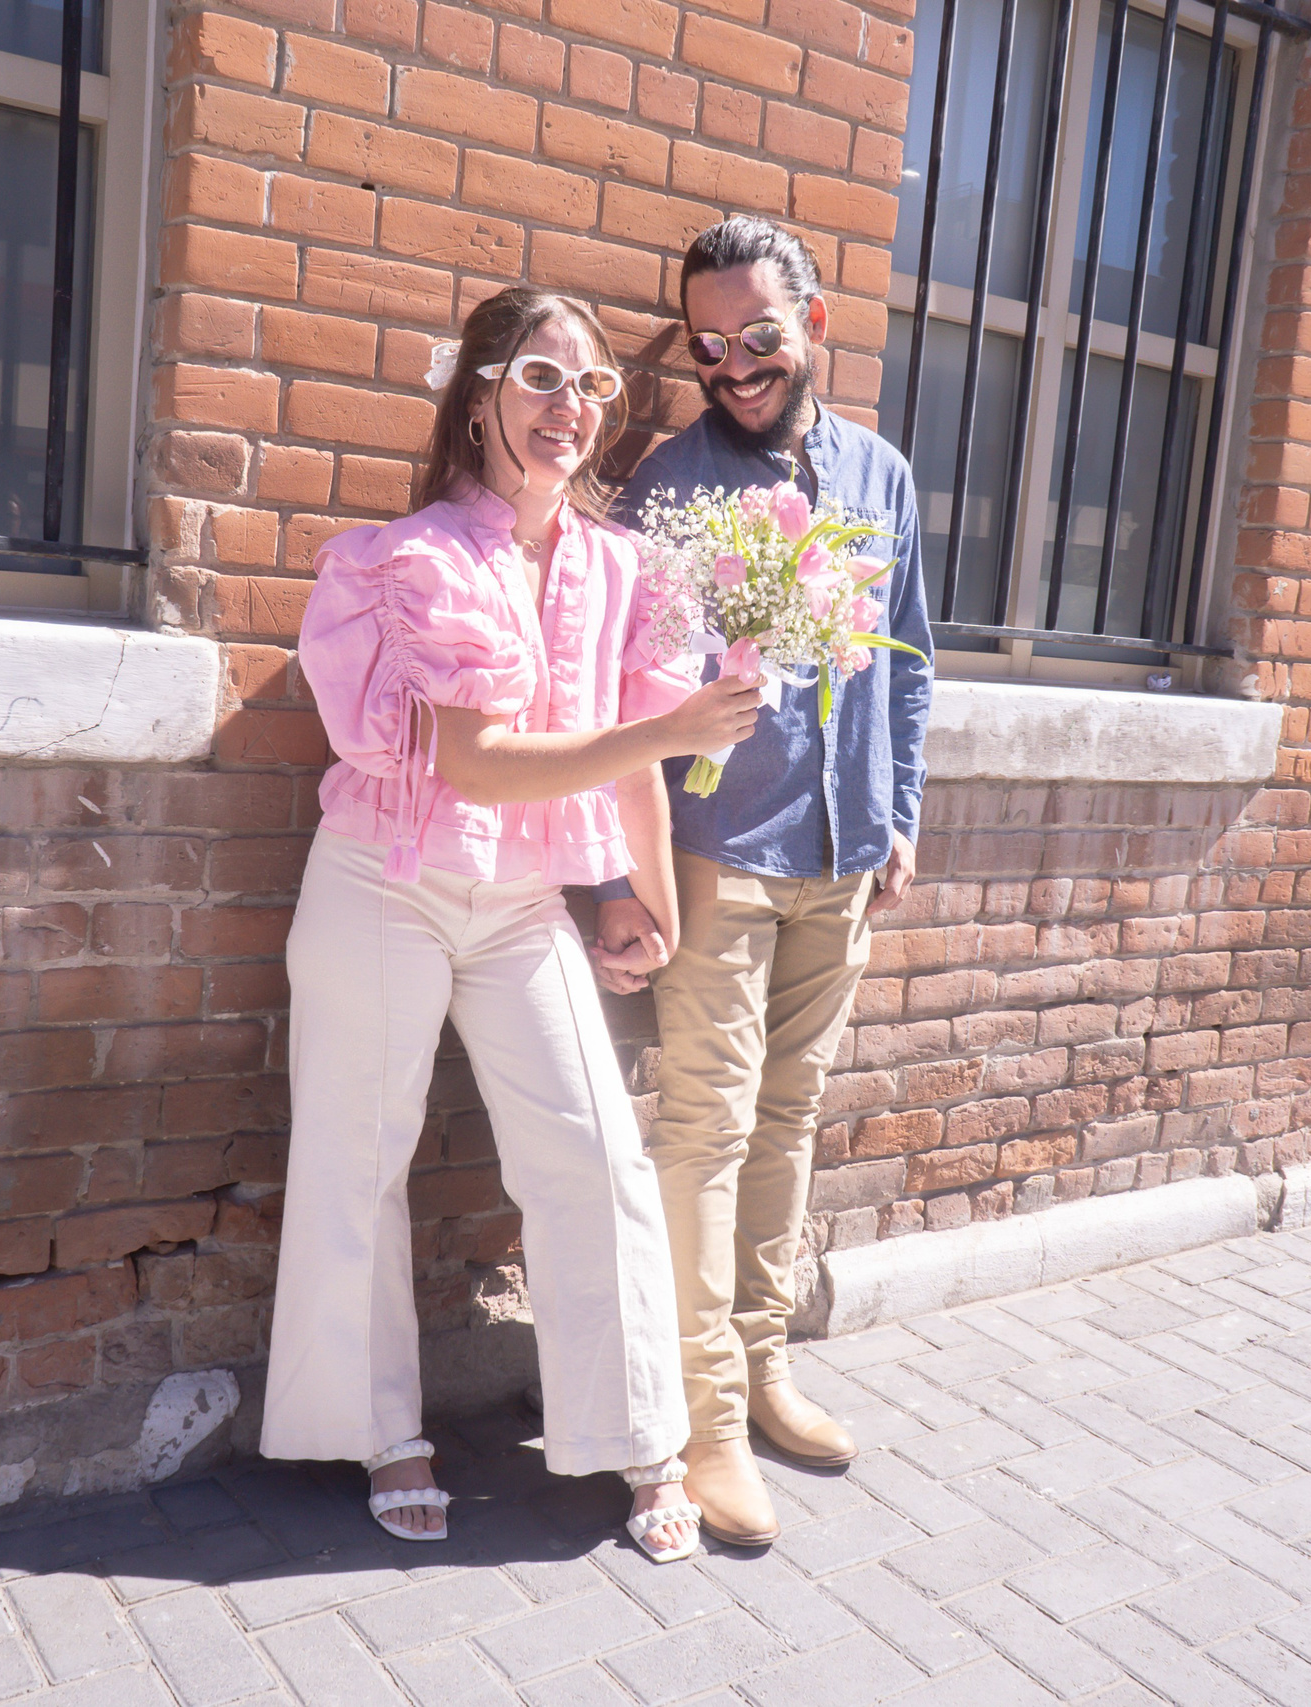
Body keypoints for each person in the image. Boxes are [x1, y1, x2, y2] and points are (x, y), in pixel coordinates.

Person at [262, 285, 767, 1564]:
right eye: (540, 377)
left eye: (592, 386)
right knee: (357, 1155)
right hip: (384, 874)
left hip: (525, 896)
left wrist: (639, 900)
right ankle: (383, 1431)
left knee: (593, 1154)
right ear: (479, 394)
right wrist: (662, 734)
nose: (570, 407)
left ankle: (639, 1433)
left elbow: (639, 765)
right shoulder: (422, 557)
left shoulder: (619, 567)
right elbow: (481, 765)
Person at [611, 217, 936, 1545]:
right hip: (717, 852)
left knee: (789, 1120)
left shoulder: (881, 473)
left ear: (812, 327)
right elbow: (624, 681)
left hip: (843, 855)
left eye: (758, 339)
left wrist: (901, 810)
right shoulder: (668, 486)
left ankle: (764, 1364)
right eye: (708, 346)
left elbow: (911, 657)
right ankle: (705, 1420)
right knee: (706, 1127)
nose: (735, 368)